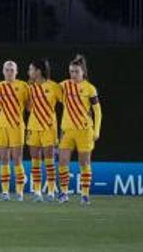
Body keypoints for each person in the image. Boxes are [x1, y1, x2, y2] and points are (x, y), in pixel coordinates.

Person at [57, 55, 102, 205]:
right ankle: (63, 193)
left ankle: (84, 195)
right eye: (71, 71)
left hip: (84, 131)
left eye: (76, 71)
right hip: (67, 131)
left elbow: (98, 111)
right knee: (63, 162)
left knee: (84, 162)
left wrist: (96, 131)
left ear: (83, 72)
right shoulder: (63, 86)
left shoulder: (90, 88)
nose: (73, 74)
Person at [25, 58, 61, 202]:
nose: (29, 72)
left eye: (31, 69)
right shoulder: (29, 87)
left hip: (48, 128)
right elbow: (27, 108)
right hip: (33, 127)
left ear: (38, 71)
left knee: (49, 160)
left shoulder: (53, 86)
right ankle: (38, 192)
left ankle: (51, 191)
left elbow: (67, 102)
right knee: (35, 160)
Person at [0, 60, 30, 201]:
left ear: (16, 72)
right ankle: (5, 192)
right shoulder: (0, 86)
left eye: (12, 70)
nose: (9, 72)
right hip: (2, 125)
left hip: (17, 126)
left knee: (17, 159)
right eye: (7, 70)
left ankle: (19, 192)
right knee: (4, 159)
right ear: (3, 72)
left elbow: (29, 105)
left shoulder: (23, 86)